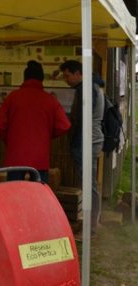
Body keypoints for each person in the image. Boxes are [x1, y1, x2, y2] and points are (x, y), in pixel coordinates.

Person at [0, 60, 71, 183]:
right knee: (38, 195)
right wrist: (47, 134)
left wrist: (9, 139)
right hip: (40, 157)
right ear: (41, 79)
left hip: (15, 154)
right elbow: (65, 125)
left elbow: (0, 125)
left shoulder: (12, 97)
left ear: (24, 78)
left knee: (14, 192)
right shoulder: (49, 99)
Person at [60, 60, 104, 235]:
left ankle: (90, 226)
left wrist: (69, 135)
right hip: (92, 139)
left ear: (78, 73)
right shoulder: (94, 86)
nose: (66, 80)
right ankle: (89, 223)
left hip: (86, 141)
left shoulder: (86, 89)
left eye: (67, 76)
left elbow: (79, 119)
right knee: (89, 184)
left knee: (89, 185)